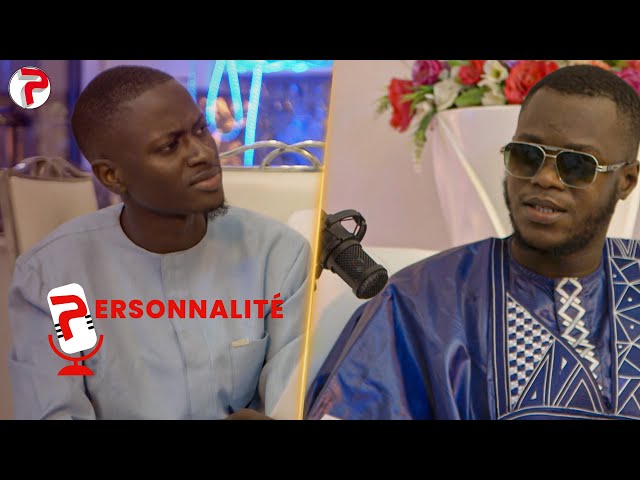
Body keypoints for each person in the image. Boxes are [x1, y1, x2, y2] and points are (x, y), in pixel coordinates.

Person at [305, 65, 640, 420]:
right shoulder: (418, 304)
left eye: (576, 165)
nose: (545, 178)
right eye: (528, 155)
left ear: (626, 180)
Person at [8, 65, 311, 420]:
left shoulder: (277, 257)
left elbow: (292, 406)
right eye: (169, 146)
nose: (202, 152)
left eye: (200, 129)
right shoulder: (57, 279)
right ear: (112, 176)